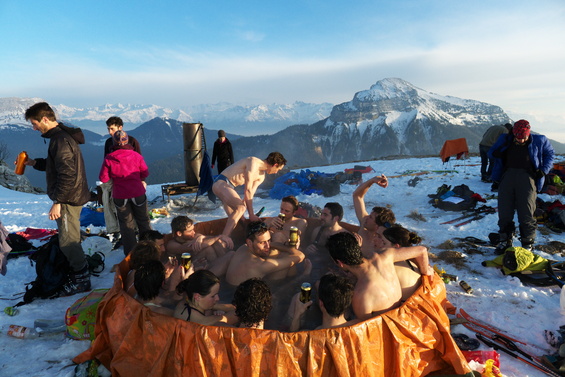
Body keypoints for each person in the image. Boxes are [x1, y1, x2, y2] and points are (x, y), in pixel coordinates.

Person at [24, 102, 91, 296]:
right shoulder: (60, 137)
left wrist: (58, 202)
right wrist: (33, 163)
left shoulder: (60, 140)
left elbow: (67, 174)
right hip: (70, 196)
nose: (34, 128)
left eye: (35, 123)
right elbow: (55, 166)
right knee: (68, 237)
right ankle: (78, 270)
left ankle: (81, 279)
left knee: (67, 241)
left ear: (45, 119)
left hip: (68, 199)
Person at [326, 232, 432, 321]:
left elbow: (366, 329)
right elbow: (422, 250)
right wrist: (426, 271)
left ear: (340, 263)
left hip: (389, 327)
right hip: (404, 311)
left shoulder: (361, 296)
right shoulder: (385, 255)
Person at [489, 119, 555, 253]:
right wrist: (497, 153)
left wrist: (544, 170)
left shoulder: (539, 140)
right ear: (513, 134)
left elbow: (550, 154)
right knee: (505, 211)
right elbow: (491, 152)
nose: (521, 140)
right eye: (518, 138)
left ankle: (527, 243)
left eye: (523, 137)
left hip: (528, 178)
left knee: (526, 212)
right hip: (507, 177)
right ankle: (505, 240)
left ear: (528, 134)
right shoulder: (505, 139)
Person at [99, 130, 152, 256]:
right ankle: (150, 249)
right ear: (127, 140)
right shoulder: (136, 156)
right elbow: (145, 173)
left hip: (120, 195)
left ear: (114, 142)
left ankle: (131, 254)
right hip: (137, 192)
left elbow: (103, 178)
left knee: (126, 224)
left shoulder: (109, 158)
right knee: (143, 221)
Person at [212, 152, 287, 237]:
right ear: (275, 165)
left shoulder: (261, 176)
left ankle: (233, 241)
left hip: (229, 189)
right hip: (221, 183)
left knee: (241, 219)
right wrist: (251, 214)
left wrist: (250, 213)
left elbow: (250, 194)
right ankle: (223, 238)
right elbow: (247, 190)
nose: (276, 172)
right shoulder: (253, 162)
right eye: (278, 169)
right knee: (241, 208)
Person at [225, 221, 306, 286]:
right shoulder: (261, 265)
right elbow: (300, 256)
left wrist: (279, 245)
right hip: (247, 299)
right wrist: (288, 248)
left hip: (232, 288)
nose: (268, 245)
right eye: (262, 242)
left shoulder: (242, 248)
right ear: (249, 242)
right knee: (286, 256)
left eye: (268, 240)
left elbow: (269, 246)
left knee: (278, 253)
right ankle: (304, 276)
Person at [101, 116, 142, 244]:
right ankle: (122, 233)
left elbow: (139, 161)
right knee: (117, 210)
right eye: (108, 129)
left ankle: (134, 234)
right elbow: (106, 162)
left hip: (130, 182)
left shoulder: (133, 141)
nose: (110, 132)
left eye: (112, 129)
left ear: (120, 127)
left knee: (131, 211)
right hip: (117, 182)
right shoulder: (109, 142)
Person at [289, 273, 355, 331]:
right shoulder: (359, 327)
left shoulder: (309, 336)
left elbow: (291, 339)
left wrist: (297, 314)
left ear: (321, 304)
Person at [376, 225, 424, 301]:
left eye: (384, 243)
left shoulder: (391, 267)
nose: (380, 244)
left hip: (401, 307)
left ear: (396, 247)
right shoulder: (411, 262)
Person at [173, 270, 238, 326]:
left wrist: (214, 307)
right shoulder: (203, 322)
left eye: (217, 294)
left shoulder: (183, 303)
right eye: (213, 296)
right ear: (197, 296)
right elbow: (239, 313)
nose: (218, 298)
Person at [352, 175, 395, 256]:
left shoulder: (382, 245)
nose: (366, 216)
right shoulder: (364, 226)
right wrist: (372, 181)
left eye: (371, 217)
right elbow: (357, 196)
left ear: (377, 226)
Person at [165, 215, 233, 262]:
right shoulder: (172, 245)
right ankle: (224, 264)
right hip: (185, 271)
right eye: (190, 231)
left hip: (199, 263)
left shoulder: (190, 237)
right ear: (179, 233)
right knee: (208, 249)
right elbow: (201, 245)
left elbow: (208, 238)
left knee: (217, 243)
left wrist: (201, 237)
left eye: (193, 229)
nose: (193, 232)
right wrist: (219, 236)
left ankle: (226, 262)